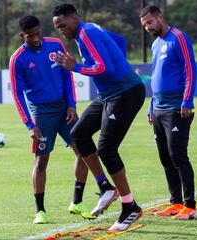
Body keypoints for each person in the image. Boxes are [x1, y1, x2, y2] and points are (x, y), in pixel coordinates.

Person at [9, 15, 118, 224]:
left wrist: (71, 105)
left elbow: (67, 76)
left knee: (83, 150)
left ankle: (77, 201)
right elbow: (16, 93)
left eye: (37, 33)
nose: (35, 38)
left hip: (64, 109)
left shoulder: (55, 44)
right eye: (30, 36)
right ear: (22, 35)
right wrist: (29, 125)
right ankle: (40, 210)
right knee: (42, 160)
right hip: (41, 113)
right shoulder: (18, 58)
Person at [52, 3, 145, 232]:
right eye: (57, 27)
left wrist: (76, 67)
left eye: (63, 25)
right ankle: (105, 187)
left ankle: (129, 206)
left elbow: (104, 68)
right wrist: (120, 64)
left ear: (74, 18)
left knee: (106, 149)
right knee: (78, 134)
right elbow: (120, 41)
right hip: (109, 95)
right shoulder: (89, 29)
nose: (61, 30)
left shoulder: (87, 34)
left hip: (125, 94)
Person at [140, 5, 197, 220]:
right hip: (158, 109)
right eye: (144, 25)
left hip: (177, 108)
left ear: (160, 17)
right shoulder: (156, 44)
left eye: (150, 23)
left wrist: (187, 100)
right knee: (165, 157)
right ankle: (175, 202)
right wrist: (151, 107)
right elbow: (155, 77)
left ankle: (190, 206)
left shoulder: (179, 37)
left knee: (177, 155)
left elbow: (190, 69)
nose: (147, 27)